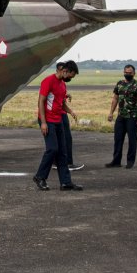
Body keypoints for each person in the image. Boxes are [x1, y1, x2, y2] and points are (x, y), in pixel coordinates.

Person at [34, 60, 84, 192]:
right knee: (52, 149)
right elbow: (41, 101)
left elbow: (61, 103)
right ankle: (40, 177)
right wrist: (43, 122)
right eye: (70, 76)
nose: (70, 79)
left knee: (63, 152)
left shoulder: (62, 85)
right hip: (47, 120)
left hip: (58, 120)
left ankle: (66, 182)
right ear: (64, 71)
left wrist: (70, 111)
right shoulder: (48, 81)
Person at [106, 64, 137, 168]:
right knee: (118, 139)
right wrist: (111, 113)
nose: (127, 75)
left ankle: (130, 161)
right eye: (126, 73)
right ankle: (116, 161)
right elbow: (115, 99)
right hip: (121, 116)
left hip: (132, 116)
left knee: (132, 140)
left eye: (130, 73)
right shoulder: (119, 84)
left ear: (134, 73)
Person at [54, 62, 84, 172]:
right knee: (65, 138)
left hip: (60, 113)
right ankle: (67, 163)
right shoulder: (52, 81)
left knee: (60, 140)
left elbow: (59, 97)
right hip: (59, 114)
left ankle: (57, 162)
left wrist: (66, 96)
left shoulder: (61, 83)